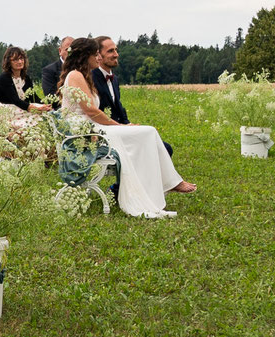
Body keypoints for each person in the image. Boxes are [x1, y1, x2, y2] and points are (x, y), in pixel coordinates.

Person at [58, 36, 194, 218]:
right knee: (147, 132)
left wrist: (121, 125)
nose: (98, 58)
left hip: (93, 127)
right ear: (86, 56)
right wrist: (119, 126)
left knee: (149, 133)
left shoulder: (84, 76)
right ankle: (165, 185)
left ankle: (165, 185)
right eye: (96, 54)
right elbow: (90, 110)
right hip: (86, 132)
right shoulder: (75, 75)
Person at [0, 45, 49, 113]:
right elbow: (15, 100)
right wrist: (34, 108)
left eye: (21, 59)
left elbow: (33, 97)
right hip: (6, 109)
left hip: (22, 107)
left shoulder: (26, 78)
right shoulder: (4, 78)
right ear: (9, 62)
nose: (19, 62)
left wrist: (44, 105)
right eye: (15, 60)